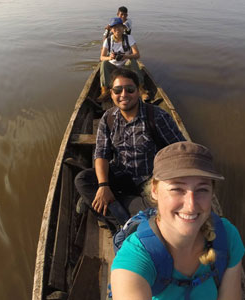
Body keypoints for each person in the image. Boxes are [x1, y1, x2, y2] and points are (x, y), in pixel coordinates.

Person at [110, 141, 245, 300]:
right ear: (154, 190)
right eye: (176, 189)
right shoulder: (135, 257)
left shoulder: (227, 237)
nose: (191, 205)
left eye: (202, 189)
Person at [74, 68, 186, 231]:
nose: (124, 94)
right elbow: (101, 154)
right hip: (120, 174)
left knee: (162, 209)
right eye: (118, 90)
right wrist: (103, 185)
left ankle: (113, 209)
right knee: (82, 180)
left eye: (130, 89)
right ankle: (122, 221)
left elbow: (181, 150)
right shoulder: (109, 118)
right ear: (111, 94)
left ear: (139, 91)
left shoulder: (157, 116)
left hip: (149, 181)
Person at [98, 17, 143, 100]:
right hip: (113, 67)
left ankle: (141, 89)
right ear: (111, 30)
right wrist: (110, 57)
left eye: (119, 27)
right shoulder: (108, 41)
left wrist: (126, 56)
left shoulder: (129, 38)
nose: (117, 29)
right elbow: (102, 57)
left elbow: (137, 55)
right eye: (114, 27)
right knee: (104, 64)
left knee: (132, 61)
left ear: (123, 28)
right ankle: (104, 90)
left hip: (126, 66)